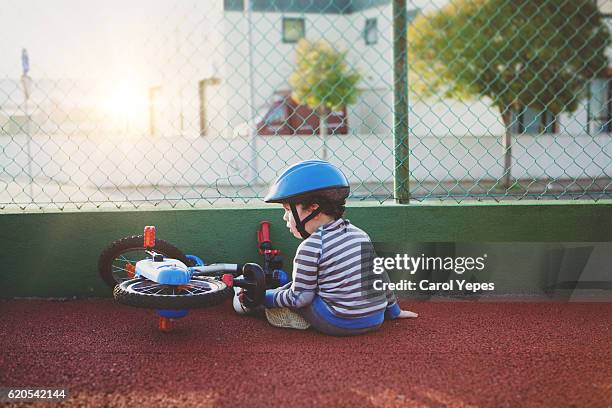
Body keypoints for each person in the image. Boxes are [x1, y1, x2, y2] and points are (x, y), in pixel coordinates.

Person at [236, 160, 417, 336]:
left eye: (288, 210)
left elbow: (301, 298)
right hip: (375, 319)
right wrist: (394, 310)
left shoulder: (311, 247)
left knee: (298, 295)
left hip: (338, 322)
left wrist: (263, 297)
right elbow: (380, 276)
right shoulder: (360, 234)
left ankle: (262, 308)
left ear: (313, 209)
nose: (285, 217)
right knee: (300, 287)